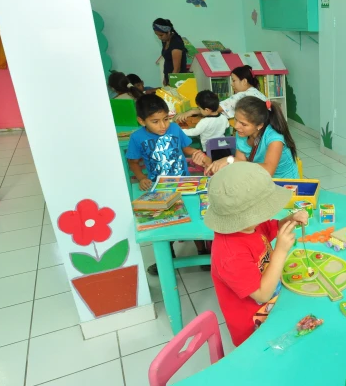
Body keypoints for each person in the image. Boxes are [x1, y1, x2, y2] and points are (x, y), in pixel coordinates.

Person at [203, 162, 309, 346]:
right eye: (263, 210)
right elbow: (262, 295)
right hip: (253, 328)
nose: (267, 214)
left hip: (274, 309)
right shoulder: (230, 254)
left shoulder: (251, 226)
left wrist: (289, 219)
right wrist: (280, 251)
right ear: (246, 216)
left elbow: (271, 227)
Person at [126, 95, 210, 191]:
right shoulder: (136, 137)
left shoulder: (175, 128)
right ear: (142, 121)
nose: (163, 126)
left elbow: (187, 149)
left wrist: (202, 156)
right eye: (155, 121)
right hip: (157, 185)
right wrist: (142, 178)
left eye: (166, 119)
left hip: (183, 181)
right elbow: (133, 162)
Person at [205, 97, 299, 179]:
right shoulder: (241, 134)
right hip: (259, 180)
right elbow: (240, 165)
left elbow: (268, 171)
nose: (236, 126)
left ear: (259, 125)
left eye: (243, 124)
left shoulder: (275, 138)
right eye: (236, 119)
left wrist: (230, 160)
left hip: (286, 184)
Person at [152, 18, 187, 86]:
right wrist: (165, 78)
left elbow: (176, 69)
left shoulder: (176, 44)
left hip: (177, 81)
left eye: (161, 35)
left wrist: (171, 84)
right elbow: (168, 60)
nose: (159, 38)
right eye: (157, 35)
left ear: (168, 32)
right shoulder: (165, 40)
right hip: (169, 77)